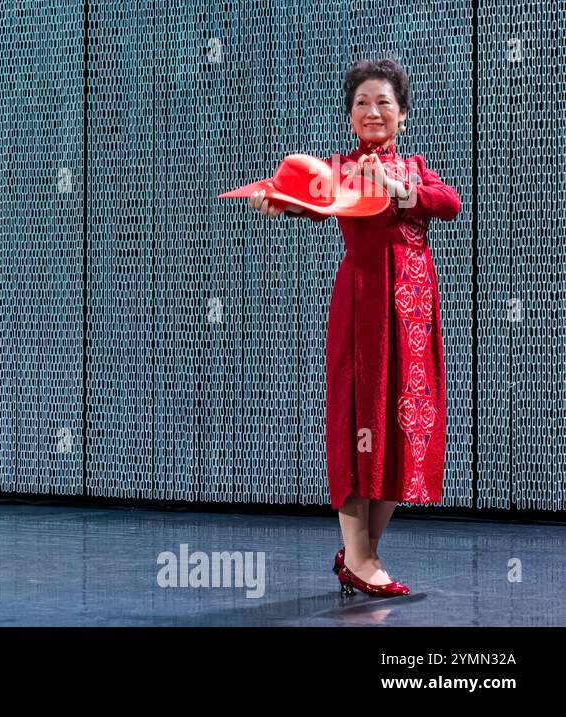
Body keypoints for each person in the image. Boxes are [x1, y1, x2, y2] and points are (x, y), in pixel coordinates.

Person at [250, 60, 461, 596]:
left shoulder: (414, 167)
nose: (373, 111)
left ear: (402, 116)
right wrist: (275, 200)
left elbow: (450, 204)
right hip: (364, 305)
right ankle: (363, 561)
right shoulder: (339, 169)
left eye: (384, 103)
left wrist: (396, 186)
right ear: (350, 117)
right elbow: (307, 198)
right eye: (362, 103)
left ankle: (360, 556)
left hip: (413, 311)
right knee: (357, 421)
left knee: (404, 424)